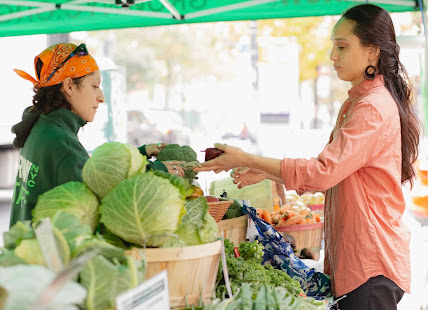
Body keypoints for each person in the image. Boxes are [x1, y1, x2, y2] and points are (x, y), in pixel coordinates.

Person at [195, 4, 420, 310]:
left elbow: (322, 172)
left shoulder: (372, 108)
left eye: (342, 46)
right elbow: (335, 175)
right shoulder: (358, 103)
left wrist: (245, 157)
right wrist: (267, 172)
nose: (332, 56)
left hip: (370, 262)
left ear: (372, 52)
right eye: (333, 46)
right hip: (361, 262)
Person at [9, 43, 184, 228]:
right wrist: (154, 171)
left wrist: (139, 155)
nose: (101, 97)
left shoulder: (43, 128)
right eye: (95, 86)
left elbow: (93, 171)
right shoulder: (59, 142)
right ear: (69, 85)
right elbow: (105, 196)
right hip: (46, 254)